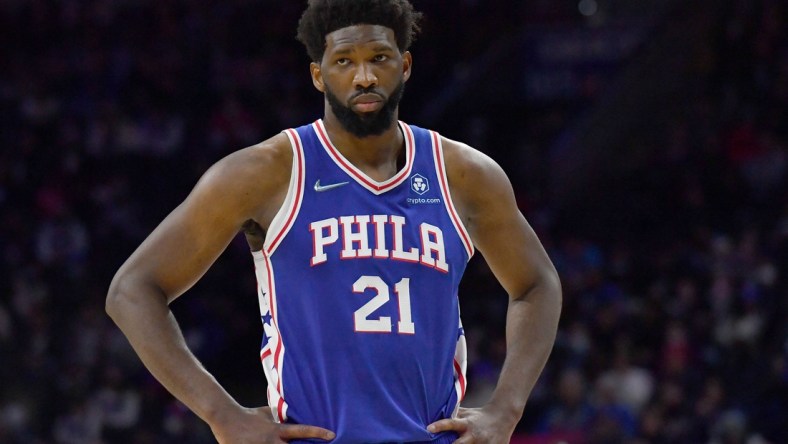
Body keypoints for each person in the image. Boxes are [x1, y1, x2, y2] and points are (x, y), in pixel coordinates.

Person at [105, 0, 562, 442]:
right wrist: (222, 415)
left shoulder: (464, 175)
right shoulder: (264, 172)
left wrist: (505, 410)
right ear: (318, 76)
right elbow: (132, 290)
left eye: (378, 58)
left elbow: (536, 283)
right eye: (344, 61)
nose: (364, 76)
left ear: (404, 66)